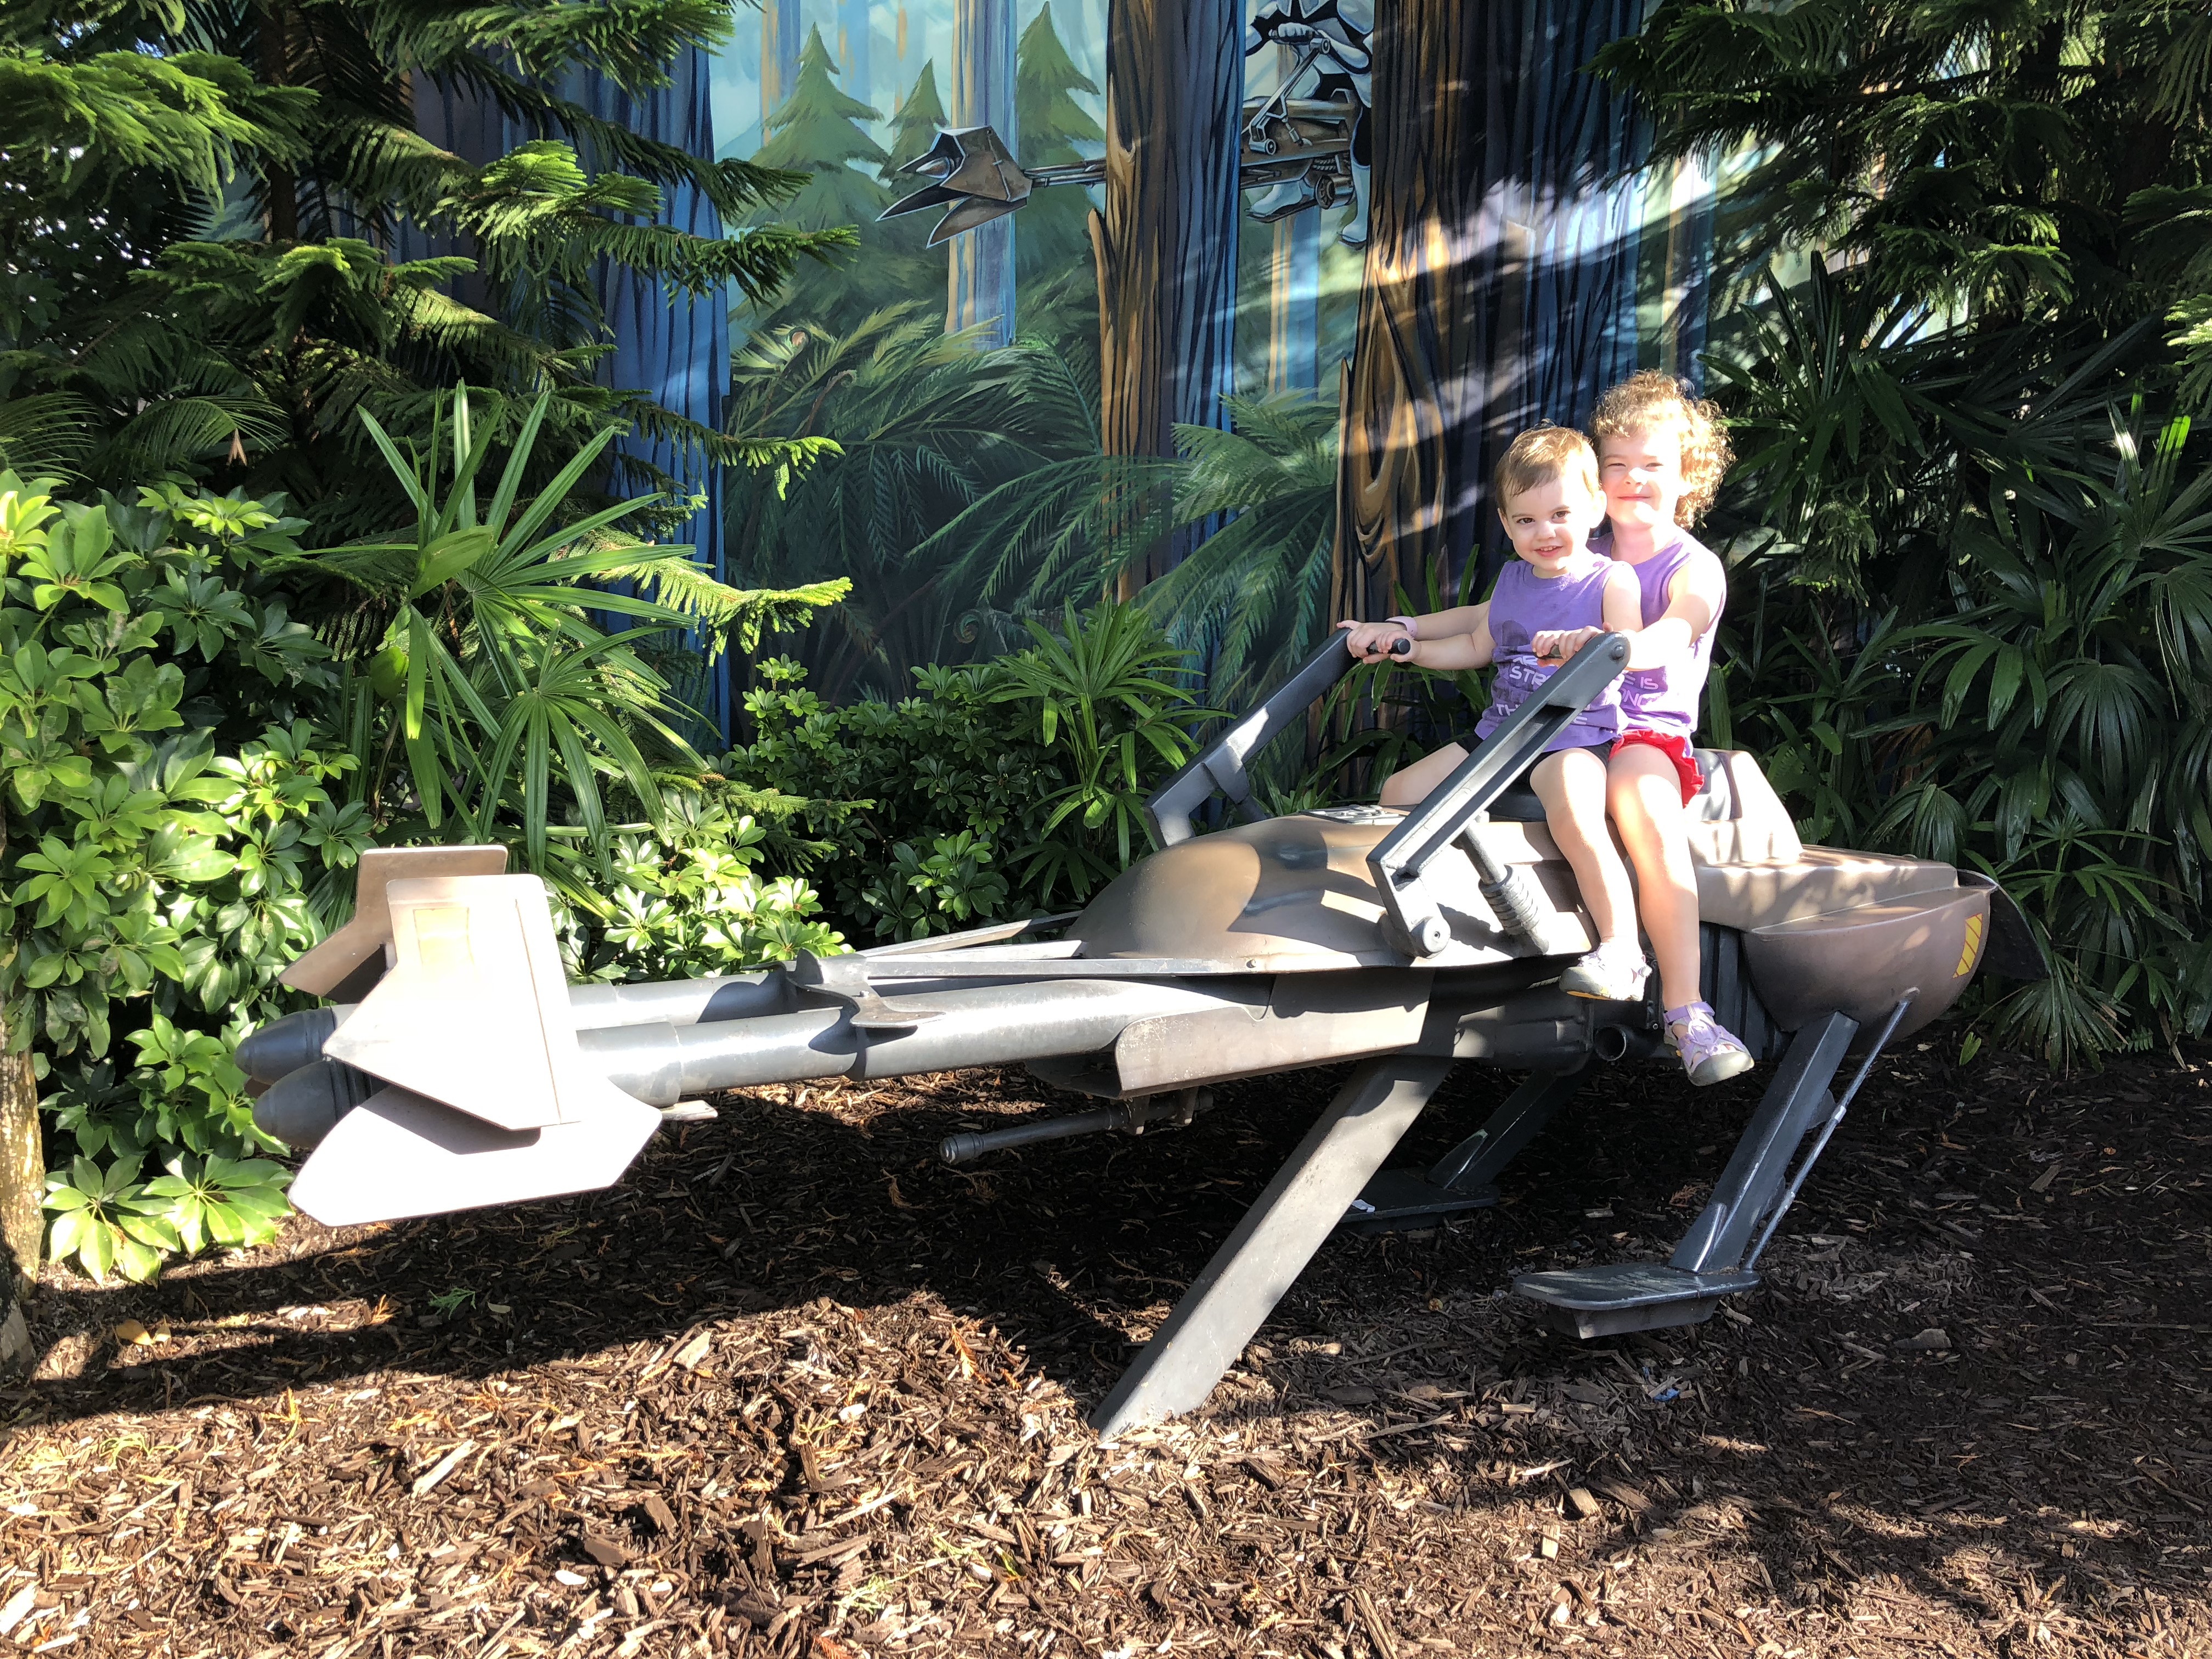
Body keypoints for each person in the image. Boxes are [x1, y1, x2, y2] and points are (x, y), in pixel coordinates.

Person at [1337, 426, 1646, 1001]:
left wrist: (1589, 642)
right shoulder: (1513, 580)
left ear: (1595, 508)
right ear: (1506, 524)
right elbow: (1476, 644)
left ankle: (1621, 951)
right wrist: (1410, 647)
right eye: (1526, 520)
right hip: (1499, 738)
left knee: (1577, 818)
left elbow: (1627, 643)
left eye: (1560, 514)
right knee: (1400, 791)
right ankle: (1417, 912)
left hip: (1570, 737)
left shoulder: (1611, 579)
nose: (1545, 532)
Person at [1530, 372, 1750, 1086]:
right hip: (1565, 724)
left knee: (1645, 811)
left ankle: (1686, 1010)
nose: (1632, 479)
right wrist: (1410, 632)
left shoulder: (1695, 568)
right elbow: (1500, 618)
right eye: (1616, 464)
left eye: (1653, 464)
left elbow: (1671, 634)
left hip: (1643, 730)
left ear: (1689, 476)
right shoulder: (1574, 547)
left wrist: (1614, 645)